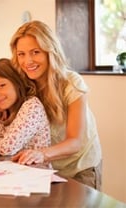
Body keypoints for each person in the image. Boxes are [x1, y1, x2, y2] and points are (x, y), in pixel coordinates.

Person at [10, 20, 102, 190]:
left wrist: (42, 154)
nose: (27, 61)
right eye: (21, 54)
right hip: (44, 168)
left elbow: (75, 141)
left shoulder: (71, 83)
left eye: (35, 52)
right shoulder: (22, 85)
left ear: (49, 52)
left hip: (80, 168)